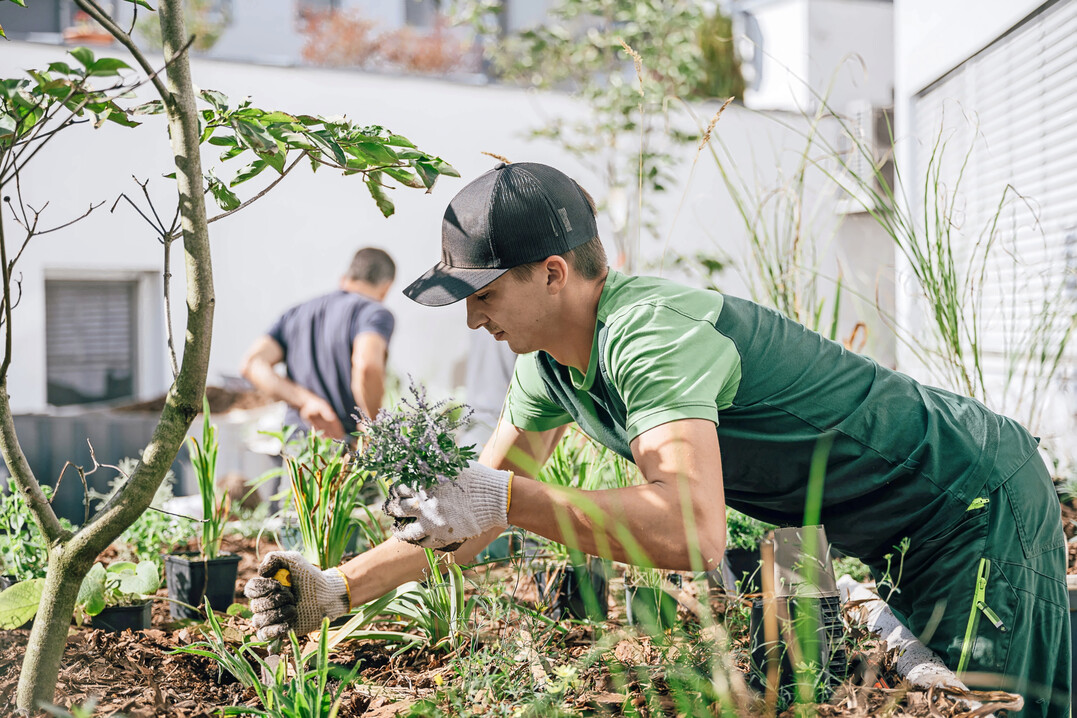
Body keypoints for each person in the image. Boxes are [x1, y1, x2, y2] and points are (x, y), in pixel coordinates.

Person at [244, 163, 1069, 716]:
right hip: (884, 523)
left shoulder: (649, 336)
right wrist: (337, 588)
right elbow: (467, 515)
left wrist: (515, 501)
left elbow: (692, 529)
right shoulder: (547, 369)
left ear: (554, 274)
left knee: (993, 701)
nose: (470, 316)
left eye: (484, 291)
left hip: (967, 497)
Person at [240, 247, 396, 441]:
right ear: (386, 287)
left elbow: (252, 364)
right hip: (343, 446)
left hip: (297, 445)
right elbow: (367, 366)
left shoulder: (296, 313)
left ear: (345, 278)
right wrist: (371, 423)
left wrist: (306, 402)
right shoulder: (374, 313)